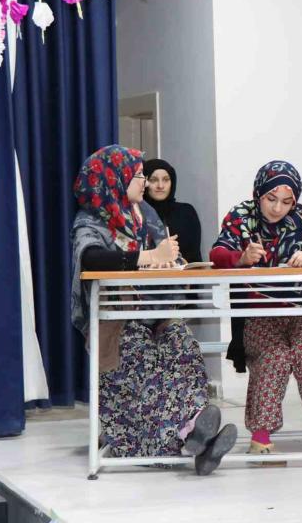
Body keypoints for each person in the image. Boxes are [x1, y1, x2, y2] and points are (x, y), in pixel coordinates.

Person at [70, 145, 236, 475]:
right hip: (117, 321)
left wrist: (173, 262)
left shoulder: (144, 212)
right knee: (142, 360)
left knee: (183, 345)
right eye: (138, 176)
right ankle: (190, 442)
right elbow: (91, 257)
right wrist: (147, 257)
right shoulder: (92, 217)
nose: (144, 182)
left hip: (157, 314)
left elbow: (165, 253)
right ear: (115, 179)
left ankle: (195, 430)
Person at [210, 160, 302, 456]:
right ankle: (261, 436)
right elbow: (217, 253)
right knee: (274, 358)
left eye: (286, 202)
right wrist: (241, 258)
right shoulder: (241, 216)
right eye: (271, 199)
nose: (277, 208)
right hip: (258, 313)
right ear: (259, 193)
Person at [143, 158, 203, 263]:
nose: (160, 186)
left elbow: (194, 258)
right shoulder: (136, 213)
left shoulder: (186, 212)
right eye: (153, 180)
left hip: (183, 272)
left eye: (166, 180)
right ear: (144, 182)